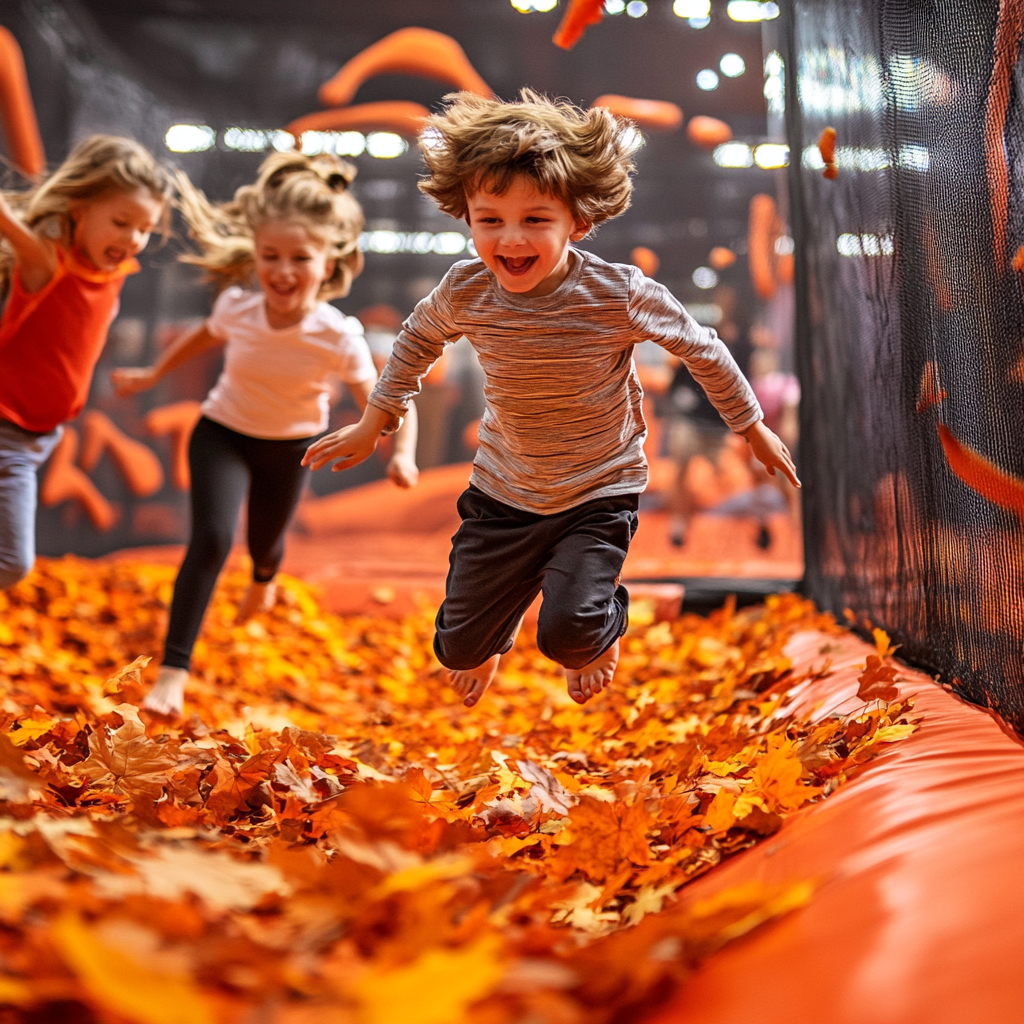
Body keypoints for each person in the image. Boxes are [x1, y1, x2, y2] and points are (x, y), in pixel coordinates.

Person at [304, 90, 799, 709]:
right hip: (504, 491)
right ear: (467, 216)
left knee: (569, 633)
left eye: (535, 219)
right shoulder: (466, 289)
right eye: (490, 220)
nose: (511, 239)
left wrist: (752, 428)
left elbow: (703, 349)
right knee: (456, 648)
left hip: (597, 489)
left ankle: (599, 627)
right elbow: (415, 342)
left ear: (578, 222)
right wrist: (373, 422)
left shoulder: (616, 292)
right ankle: (499, 626)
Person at [113, 152, 418, 717]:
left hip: (290, 449)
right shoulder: (239, 307)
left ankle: (263, 578)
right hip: (223, 432)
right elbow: (201, 338)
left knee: (266, 546)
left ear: (330, 262)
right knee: (209, 540)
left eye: (299, 258)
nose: (281, 271)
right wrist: (153, 374)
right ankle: (172, 673)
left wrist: (401, 452)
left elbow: (389, 399)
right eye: (269, 256)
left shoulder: (338, 335)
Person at [0, 135, 173, 589]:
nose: (133, 239)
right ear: (79, 209)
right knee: (13, 564)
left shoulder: (113, 271)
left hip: (39, 438)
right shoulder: (45, 263)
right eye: (120, 222)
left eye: (145, 229)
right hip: (8, 433)